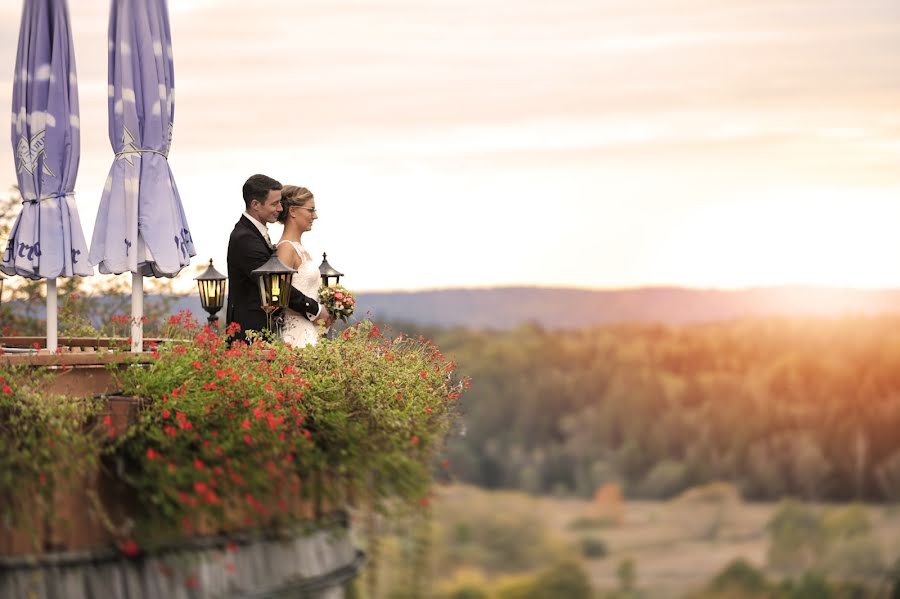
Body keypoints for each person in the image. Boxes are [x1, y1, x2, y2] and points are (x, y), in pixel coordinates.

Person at [226, 174, 330, 344]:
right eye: (274, 204)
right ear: (255, 205)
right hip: (250, 334)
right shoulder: (245, 238)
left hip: (264, 333)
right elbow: (274, 284)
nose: (281, 209)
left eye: (280, 202)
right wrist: (315, 309)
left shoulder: (256, 234)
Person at [274, 185, 324, 347]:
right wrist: (316, 313)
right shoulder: (286, 249)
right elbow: (280, 294)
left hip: (310, 329)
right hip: (295, 332)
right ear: (293, 211)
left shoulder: (299, 248)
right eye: (311, 210)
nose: (315, 216)